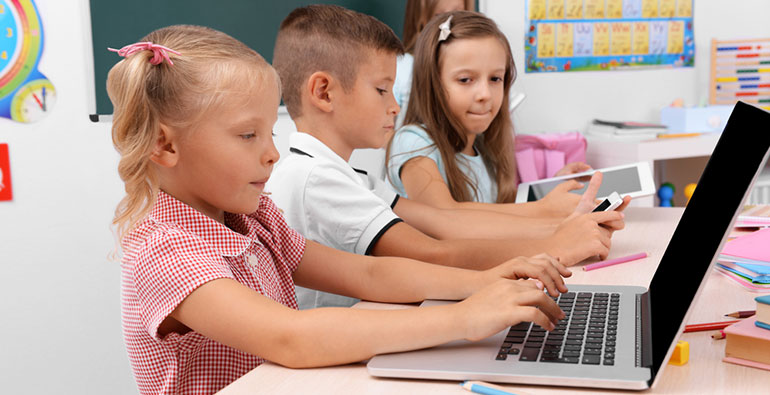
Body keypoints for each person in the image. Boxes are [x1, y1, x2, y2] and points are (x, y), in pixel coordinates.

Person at [107, 24, 566, 394]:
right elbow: (290, 337)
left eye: (271, 132)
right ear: (165, 145)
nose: (272, 153)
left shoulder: (252, 218)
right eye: (249, 135)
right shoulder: (164, 251)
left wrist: (485, 282)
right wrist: (463, 318)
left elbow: (369, 274)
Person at [269, 5, 625, 308]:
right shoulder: (314, 177)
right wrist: (553, 245)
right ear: (324, 93)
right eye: (381, 90)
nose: (394, 106)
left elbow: (441, 221)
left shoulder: (352, 177)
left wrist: (559, 227)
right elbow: (431, 251)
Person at [386, 11, 623, 216]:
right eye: (465, 79)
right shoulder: (413, 143)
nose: (485, 94)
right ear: (431, 84)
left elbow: (498, 220)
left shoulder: (485, 150)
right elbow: (445, 218)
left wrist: (553, 189)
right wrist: (544, 209)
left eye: (495, 79)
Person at [395, 0, 474, 128]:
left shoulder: (475, 65)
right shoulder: (402, 67)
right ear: (420, 21)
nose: (449, 25)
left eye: (458, 14)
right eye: (439, 17)